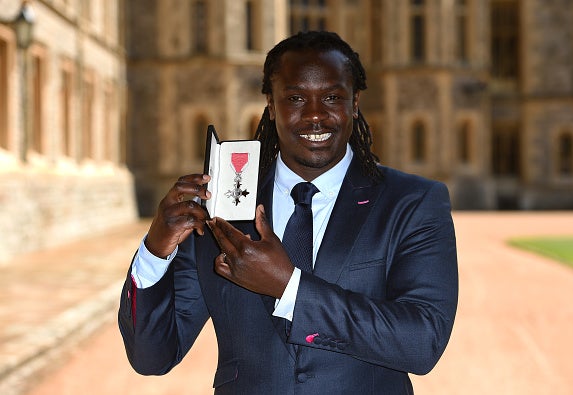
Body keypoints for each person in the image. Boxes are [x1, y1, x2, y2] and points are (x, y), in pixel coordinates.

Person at [118, 30, 458, 394]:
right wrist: (156, 247)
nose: (315, 115)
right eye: (295, 97)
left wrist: (288, 286)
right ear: (270, 102)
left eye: (332, 97)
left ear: (355, 102)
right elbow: (152, 356)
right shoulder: (223, 209)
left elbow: (422, 342)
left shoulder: (412, 202)